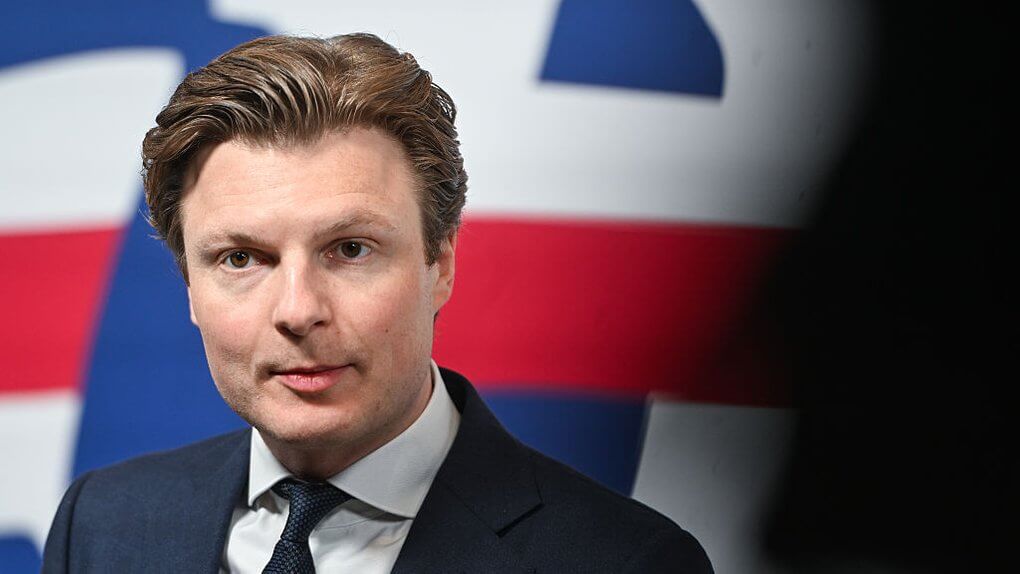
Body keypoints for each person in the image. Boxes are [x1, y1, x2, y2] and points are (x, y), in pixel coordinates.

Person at [42, 33, 712, 573]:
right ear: (190, 286)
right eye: (241, 258)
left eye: (350, 249)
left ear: (440, 264)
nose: (298, 310)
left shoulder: (627, 561)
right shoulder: (100, 526)